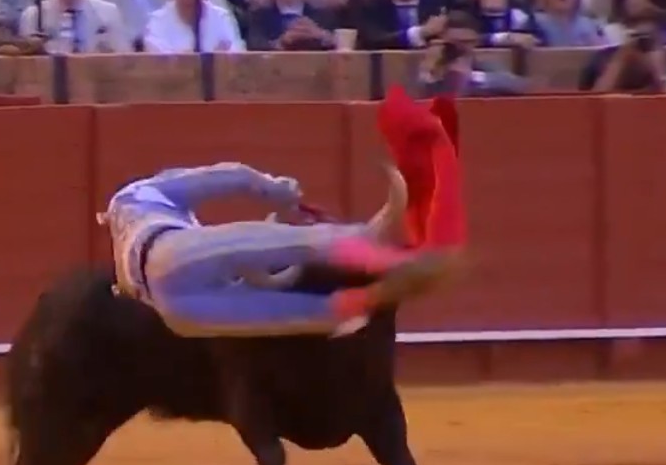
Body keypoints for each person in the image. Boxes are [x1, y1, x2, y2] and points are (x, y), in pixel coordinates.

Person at [98, 89, 463, 339]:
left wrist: (270, 271)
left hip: (173, 312)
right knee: (272, 243)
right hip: (170, 256)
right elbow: (232, 176)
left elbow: (248, 280)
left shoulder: (132, 230)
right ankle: (371, 246)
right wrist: (276, 189)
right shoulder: (141, 194)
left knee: (272, 312)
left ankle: (348, 307)